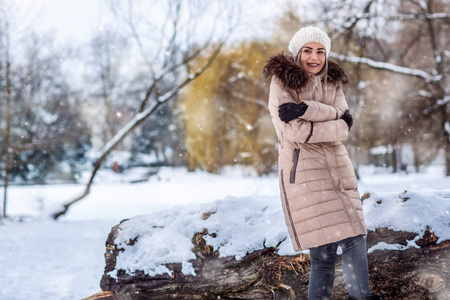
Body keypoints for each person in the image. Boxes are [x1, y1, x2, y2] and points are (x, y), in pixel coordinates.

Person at [263, 26, 384, 300]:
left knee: (355, 235)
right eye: (308, 51)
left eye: (320, 51)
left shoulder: (333, 80)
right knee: (324, 252)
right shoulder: (282, 82)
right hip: (304, 172)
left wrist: (307, 109)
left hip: (338, 168)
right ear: (297, 53)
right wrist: (332, 119)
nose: (314, 57)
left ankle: (361, 297)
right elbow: (294, 132)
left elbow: (345, 125)